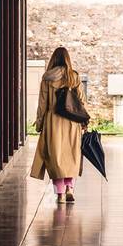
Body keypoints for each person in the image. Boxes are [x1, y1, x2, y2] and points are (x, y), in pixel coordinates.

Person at [30, 45, 86, 202]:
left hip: (53, 122)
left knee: (55, 158)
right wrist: (83, 121)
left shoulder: (47, 78)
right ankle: (70, 188)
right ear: (68, 59)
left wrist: (40, 123)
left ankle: (60, 194)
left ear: (53, 59)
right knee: (71, 156)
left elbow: (42, 104)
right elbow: (81, 101)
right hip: (72, 122)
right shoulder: (74, 77)